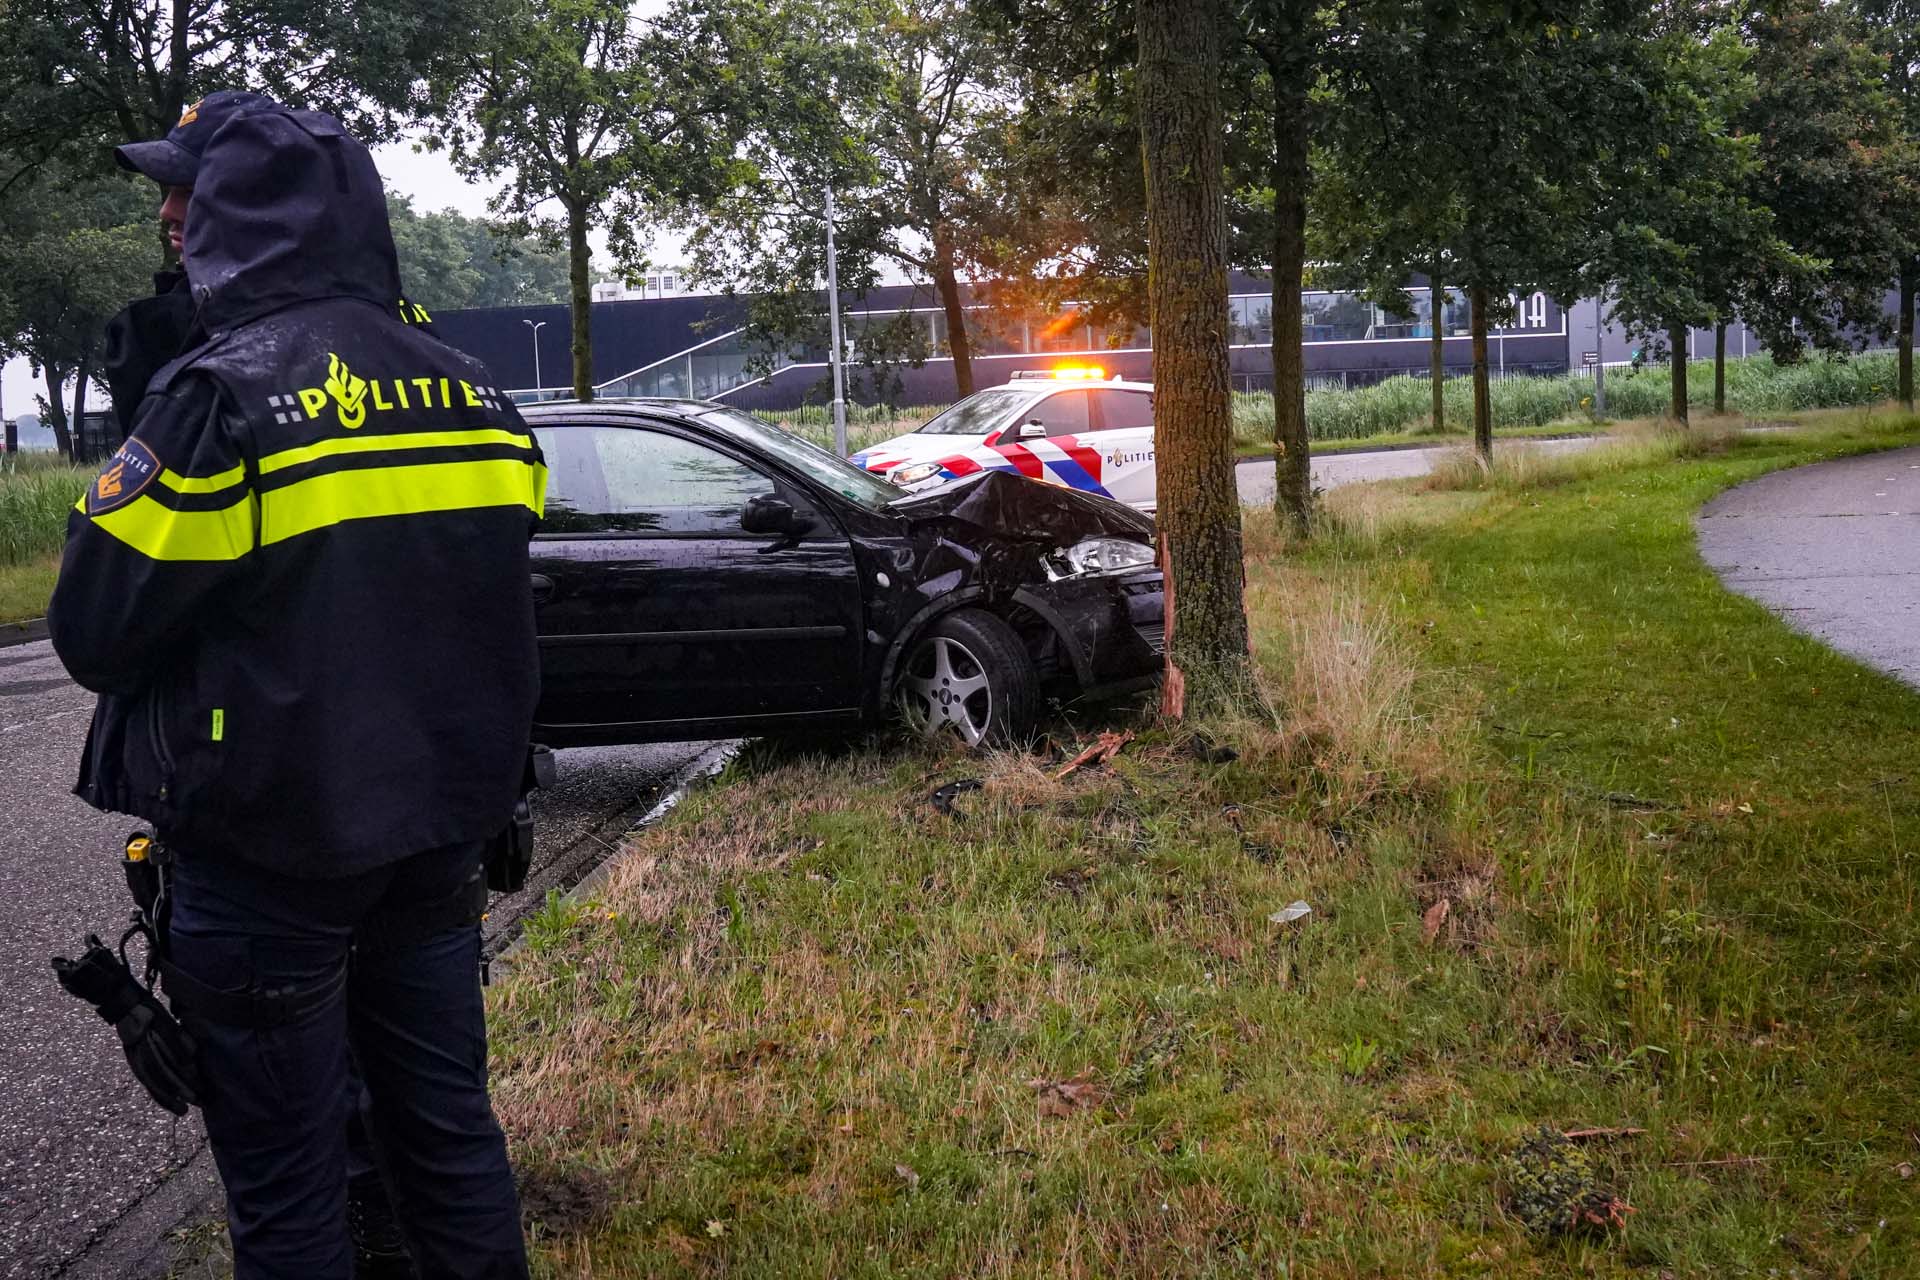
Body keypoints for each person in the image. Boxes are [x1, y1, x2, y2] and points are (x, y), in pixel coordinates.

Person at [50, 98, 544, 1279]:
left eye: (188, 193)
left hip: (269, 856)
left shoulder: (221, 404)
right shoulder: (475, 390)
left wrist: (172, 380)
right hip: (435, 845)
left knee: (286, 1186)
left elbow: (93, 630)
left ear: (251, 215)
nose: (168, 215)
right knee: (447, 1138)